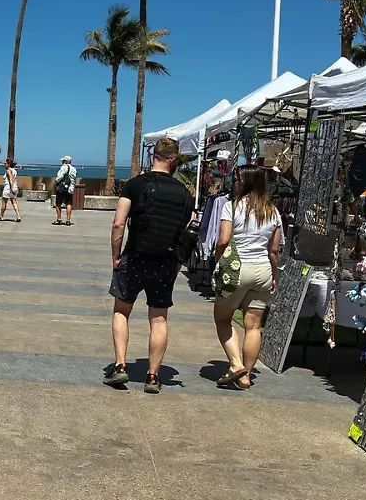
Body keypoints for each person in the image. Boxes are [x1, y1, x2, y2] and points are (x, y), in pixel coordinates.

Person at [106, 138, 193, 394]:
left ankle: (120, 366)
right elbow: (187, 232)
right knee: (158, 319)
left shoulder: (134, 185)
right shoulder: (184, 193)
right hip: (165, 261)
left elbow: (118, 224)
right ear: (174, 160)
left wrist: (116, 256)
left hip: (135, 257)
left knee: (122, 311)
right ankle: (153, 376)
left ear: (153, 156)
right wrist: (178, 263)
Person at [213, 165, 282, 390]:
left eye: (237, 180)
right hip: (262, 270)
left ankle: (235, 364)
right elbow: (274, 250)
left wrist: (217, 261)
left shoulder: (232, 208)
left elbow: (223, 240)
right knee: (253, 326)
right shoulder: (273, 211)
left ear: (246, 183)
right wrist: (275, 275)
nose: (234, 184)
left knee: (223, 319)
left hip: (237, 269)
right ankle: (246, 377)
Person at [53, 155, 77, 226]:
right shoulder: (74, 169)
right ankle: (68, 220)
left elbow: (60, 176)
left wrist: (56, 180)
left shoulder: (63, 167)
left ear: (66, 161)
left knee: (58, 204)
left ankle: (59, 219)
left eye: (63, 161)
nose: (62, 162)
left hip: (62, 188)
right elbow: (74, 180)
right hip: (70, 189)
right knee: (68, 204)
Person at [0, 158, 22, 222]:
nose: (4, 164)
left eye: (5, 163)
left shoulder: (8, 170)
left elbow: (10, 179)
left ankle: (1, 216)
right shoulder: (14, 171)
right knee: (14, 202)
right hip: (15, 187)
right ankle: (18, 216)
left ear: (8, 164)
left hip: (8, 188)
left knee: (4, 203)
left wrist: (11, 188)